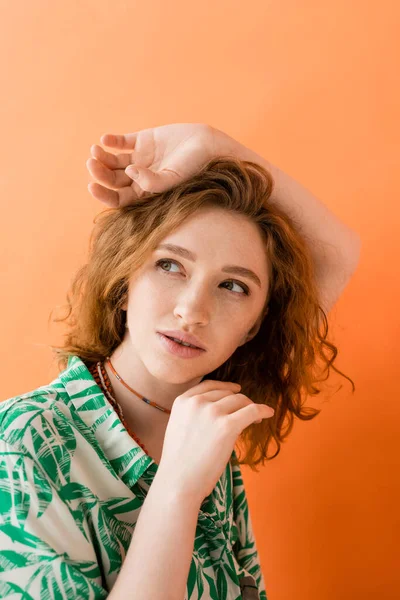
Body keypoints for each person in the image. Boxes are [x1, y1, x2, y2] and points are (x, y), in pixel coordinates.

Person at [0, 123, 357, 599]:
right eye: (170, 265)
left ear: (254, 325)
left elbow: (338, 256)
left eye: (233, 286)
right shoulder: (22, 443)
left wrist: (214, 145)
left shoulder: (204, 420)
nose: (192, 311)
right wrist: (178, 490)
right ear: (125, 279)